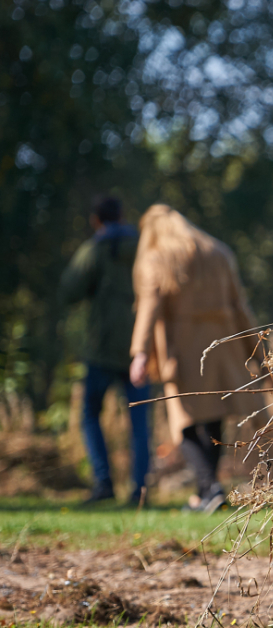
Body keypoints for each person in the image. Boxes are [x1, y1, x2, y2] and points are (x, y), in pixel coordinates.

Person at [128, 205, 273, 514]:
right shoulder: (219, 252)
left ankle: (210, 488)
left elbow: (148, 307)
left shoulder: (158, 257)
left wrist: (140, 353)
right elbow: (240, 307)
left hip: (185, 350)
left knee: (185, 425)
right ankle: (207, 492)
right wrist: (261, 357)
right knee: (213, 418)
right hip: (225, 347)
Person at [59, 196, 152, 505]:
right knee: (139, 423)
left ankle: (103, 483)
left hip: (101, 349)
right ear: (123, 216)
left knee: (89, 414)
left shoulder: (94, 250)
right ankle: (140, 490)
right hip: (139, 348)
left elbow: (69, 290)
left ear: (95, 219)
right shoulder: (143, 247)